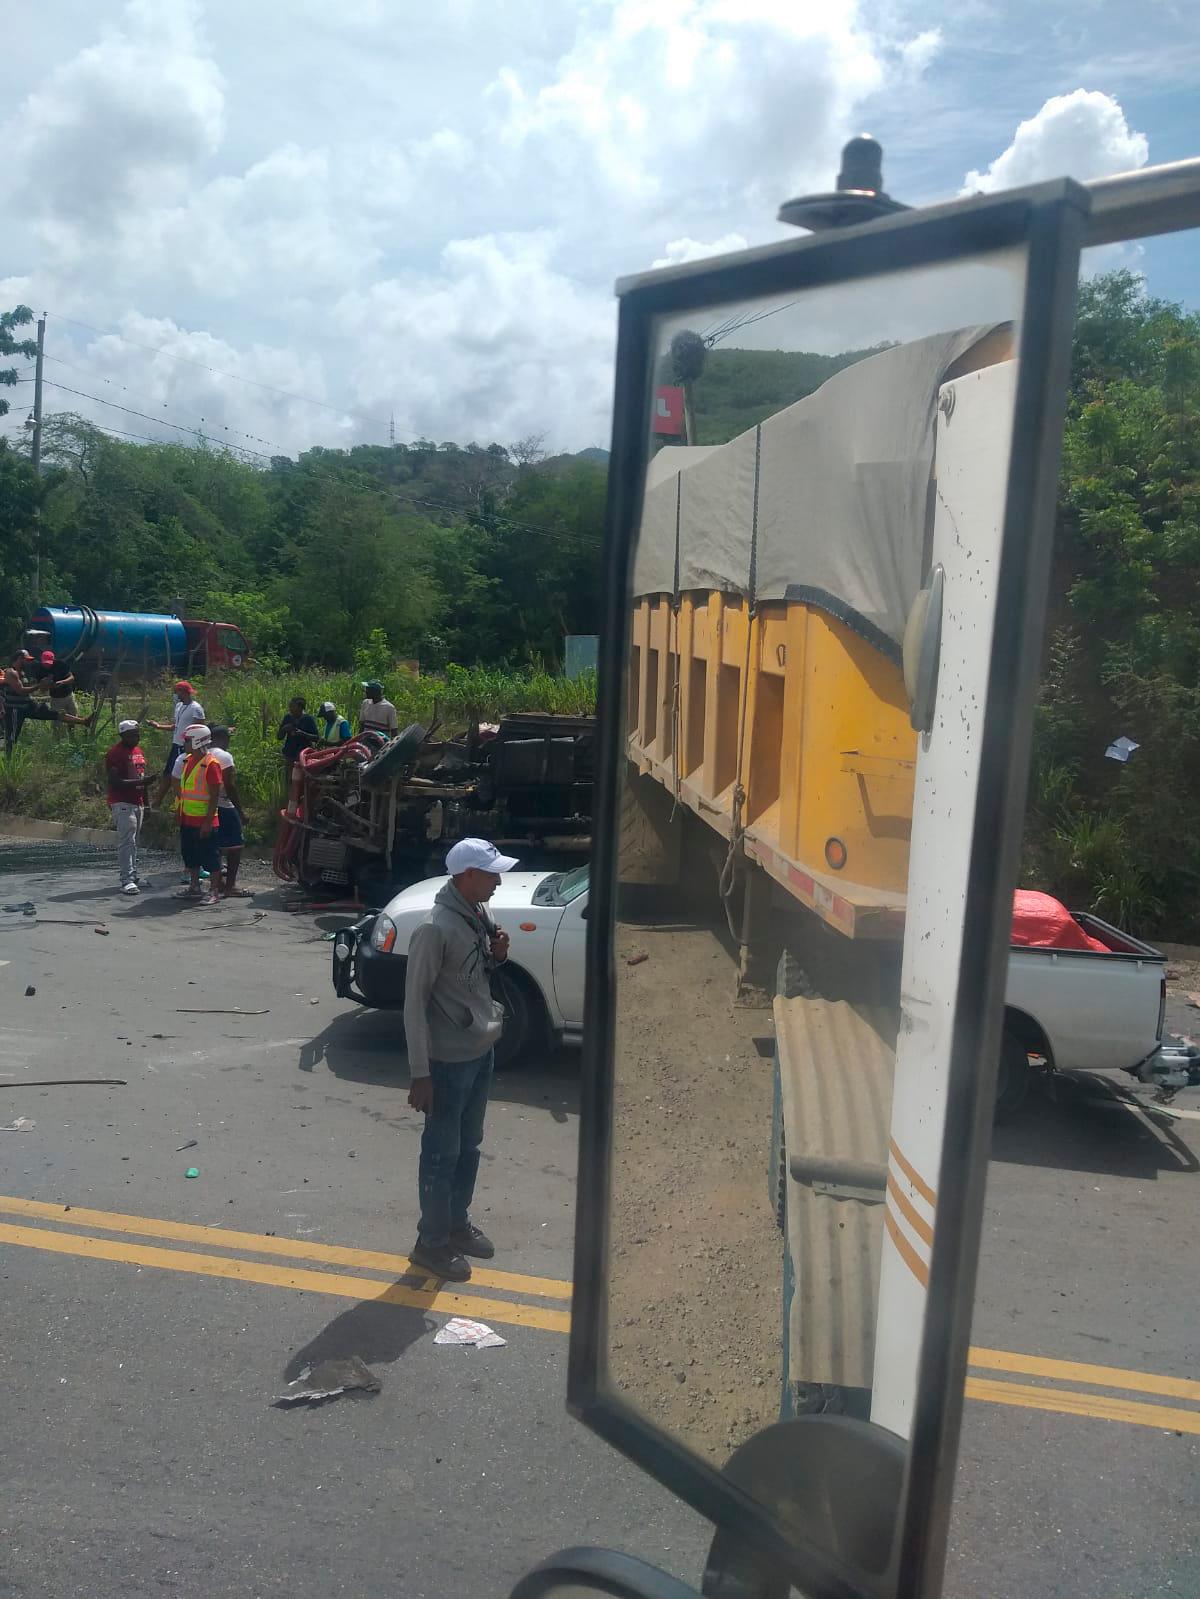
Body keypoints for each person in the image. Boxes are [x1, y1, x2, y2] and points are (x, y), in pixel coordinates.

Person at [404, 837, 516, 1281]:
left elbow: (475, 976)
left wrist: (498, 956)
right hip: (447, 1063)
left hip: (478, 1050)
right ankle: (429, 1244)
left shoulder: (477, 913)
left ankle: (455, 1224)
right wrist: (420, 1073)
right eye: (491, 873)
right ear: (467, 875)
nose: (498, 880)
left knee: (468, 1147)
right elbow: (414, 1004)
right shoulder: (434, 928)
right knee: (440, 1153)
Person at [172, 722, 222, 904]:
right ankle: (194, 886)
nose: (184, 744)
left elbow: (215, 796)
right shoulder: (187, 761)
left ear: (197, 741)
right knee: (190, 855)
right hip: (188, 819)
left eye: (187, 740)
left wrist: (208, 822)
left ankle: (214, 891)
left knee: (211, 856)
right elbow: (182, 791)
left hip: (204, 820)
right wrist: (179, 811)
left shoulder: (211, 764)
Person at [105, 720, 148, 895]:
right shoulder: (115, 754)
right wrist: (141, 782)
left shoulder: (138, 751)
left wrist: (148, 804)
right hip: (122, 801)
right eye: (131, 735)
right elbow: (115, 781)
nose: (136, 738)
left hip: (137, 802)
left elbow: (143, 778)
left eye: (137, 734)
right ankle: (126, 880)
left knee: (134, 841)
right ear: (122, 736)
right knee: (126, 841)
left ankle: (133, 875)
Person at [208, 724, 251, 898]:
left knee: (215, 846)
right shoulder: (224, 757)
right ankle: (230, 886)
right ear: (222, 739)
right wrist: (241, 811)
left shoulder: (203, 754)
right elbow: (230, 785)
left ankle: (217, 883)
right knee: (235, 846)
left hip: (208, 806)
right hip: (224, 806)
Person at [149, 681, 206, 808]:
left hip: (186, 746)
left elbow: (200, 728)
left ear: (184, 692)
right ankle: (159, 802)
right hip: (176, 744)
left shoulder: (196, 708)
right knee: (168, 773)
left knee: (181, 775)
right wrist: (158, 726)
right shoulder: (179, 706)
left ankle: (179, 803)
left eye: (177, 691)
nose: (176, 694)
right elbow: (176, 726)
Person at [278, 695, 319, 787]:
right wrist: (284, 729)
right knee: (290, 780)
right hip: (290, 754)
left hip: (304, 756)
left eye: (293, 706)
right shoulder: (288, 718)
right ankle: (290, 799)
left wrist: (303, 734)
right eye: (290, 706)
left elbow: (316, 738)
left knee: (304, 780)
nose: (290, 709)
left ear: (300, 707)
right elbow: (279, 737)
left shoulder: (308, 719)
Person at [39, 650, 79, 734]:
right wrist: (47, 684)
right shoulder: (40, 670)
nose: (47, 665)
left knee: (73, 716)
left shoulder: (61, 665)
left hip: (68, 695)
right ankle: (57, 741)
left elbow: (71, 678)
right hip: (56, 698)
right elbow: (42, 690)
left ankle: (72, 736)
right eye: (45, 663)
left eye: (49, 663)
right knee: (56, 722)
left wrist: (62, 682)